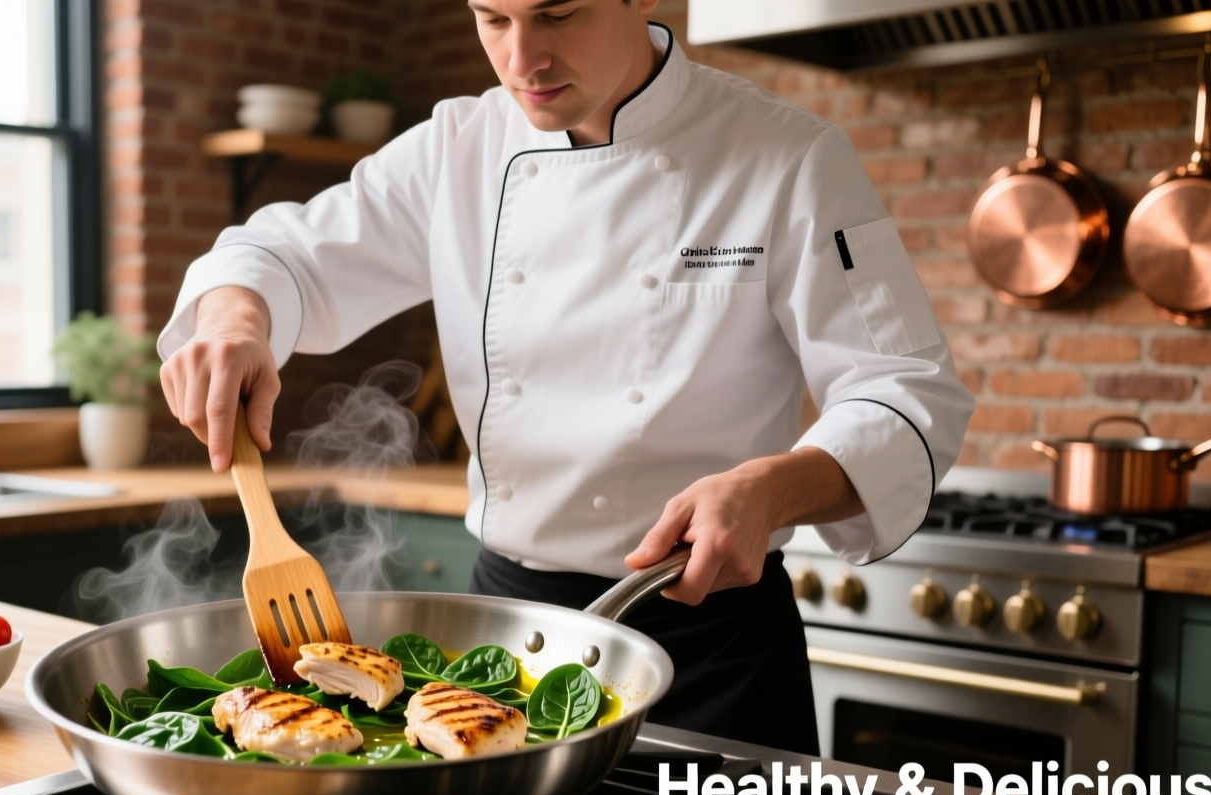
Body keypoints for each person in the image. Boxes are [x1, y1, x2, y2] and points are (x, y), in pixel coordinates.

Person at [156, 0, 973, 752]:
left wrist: (772, 487)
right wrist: (237, 320)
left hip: (709, 649)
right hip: (507, 654)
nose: (523, 59)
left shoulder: (785, 155)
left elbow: (905, 388)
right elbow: (281, 252)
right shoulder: (459, 148)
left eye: (558, 14)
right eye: (493, 17)